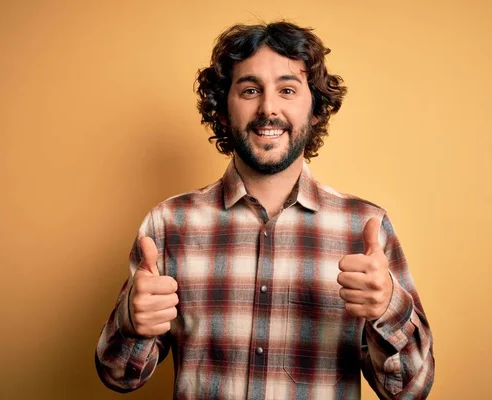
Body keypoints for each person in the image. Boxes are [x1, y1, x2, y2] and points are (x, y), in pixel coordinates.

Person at [95, 21, 434, 400]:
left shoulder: (365, 227)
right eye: (250, 90)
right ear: (223, 109)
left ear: (316, 110)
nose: (268, 108)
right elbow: (118, 376)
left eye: (287, 90)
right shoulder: (169, 224)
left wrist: (388, 308)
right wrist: (132, 324)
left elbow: (410, 390)